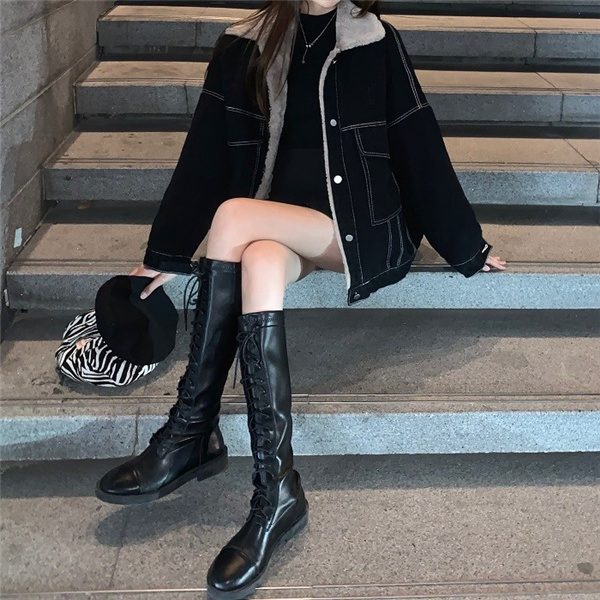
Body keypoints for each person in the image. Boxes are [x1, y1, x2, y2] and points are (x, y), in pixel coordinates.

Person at [95, 0, 507, 597]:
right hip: (280, 223)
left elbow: (417, 142)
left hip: (357, 228)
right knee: (258, 256)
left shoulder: (372, 40)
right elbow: (206, 150)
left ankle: (191, 431)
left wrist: (467, 246)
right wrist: (166, 251)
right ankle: (276, 489)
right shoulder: (246, 41)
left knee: (232, 218)